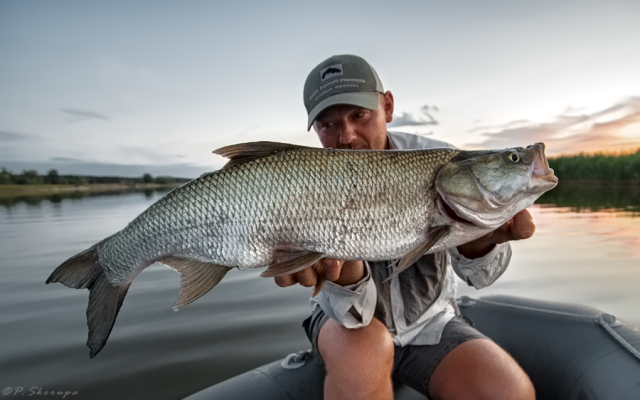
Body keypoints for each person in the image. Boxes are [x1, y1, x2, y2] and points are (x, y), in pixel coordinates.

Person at [275, 54, 536, 400]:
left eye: (359, 114)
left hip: (431, 322)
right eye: (327, 124)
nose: (347, 136)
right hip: (345, 323)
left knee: (509, 392)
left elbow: (481, 277)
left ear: (388, 106)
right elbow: (350, 314)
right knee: (365, 357)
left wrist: (477, 243)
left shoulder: (446, 163)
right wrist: (347, 277)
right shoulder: (304, 183)